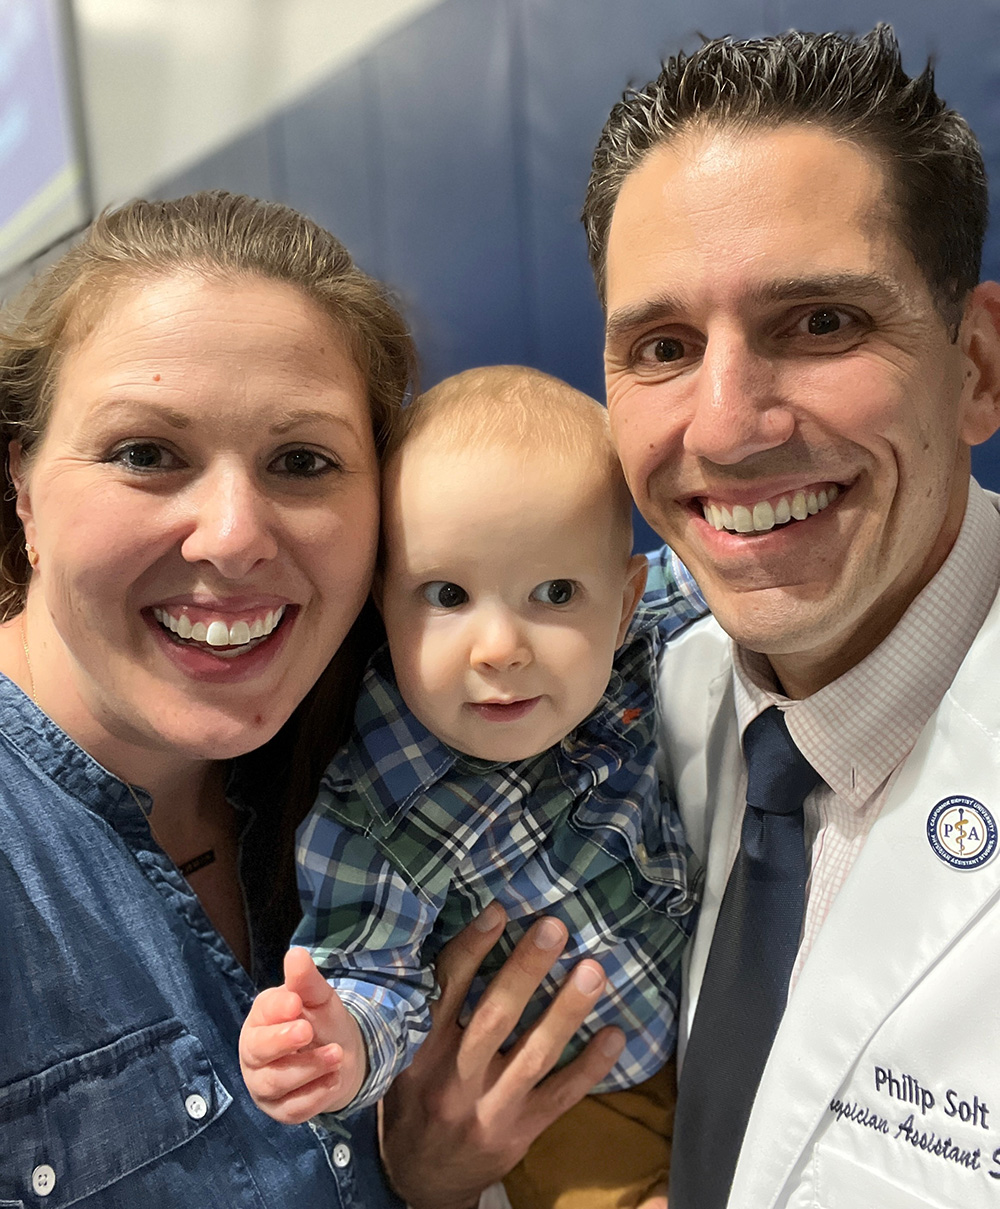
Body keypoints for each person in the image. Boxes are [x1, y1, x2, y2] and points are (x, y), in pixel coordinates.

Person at [382, 23, 1000, 1209]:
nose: (723, 427)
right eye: (663, 347)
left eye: (819, 323)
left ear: (973, 366)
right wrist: (441, 1180)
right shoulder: (613, 706)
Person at [0, 189, 420, 1207]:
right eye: (146, 453)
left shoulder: (398, 769)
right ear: (20, 487)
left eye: (302, 461)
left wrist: (432, 1179)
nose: (234, 536)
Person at [240, 366, 706, 1204]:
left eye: (555, 593)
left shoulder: (628, 643)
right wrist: (335, 1045)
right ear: (384, 603)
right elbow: (372, 976)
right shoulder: (381, 811)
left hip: (713, 1011)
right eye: (447, 594)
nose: (499, 647)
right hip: (566, 1104)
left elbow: (714, 580)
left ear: (622, 600)